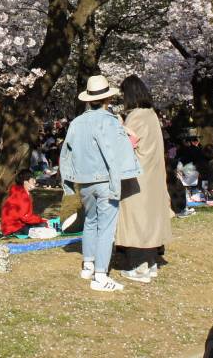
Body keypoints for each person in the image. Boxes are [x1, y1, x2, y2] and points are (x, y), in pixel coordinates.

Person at [60, 74, 141, 292]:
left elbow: (65, 152)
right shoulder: (111, 121)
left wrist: (68, 180)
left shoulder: (76, 123)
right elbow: (124, 149)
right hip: (106, 180)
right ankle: (101, 275)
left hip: (84, 182)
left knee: (90, 220)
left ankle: (88, 264)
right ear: (108, 99)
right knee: (106, 227)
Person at [114, 75, 171, 283]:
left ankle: (140, 268)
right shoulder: (152, 115)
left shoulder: (136, 116)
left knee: (137, 220)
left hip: (139, 178)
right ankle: (151, 262)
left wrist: (119, 125)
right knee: (151, 220)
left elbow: (127, 146)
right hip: (154, 175)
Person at [0, 170, 47, 237]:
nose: (35, 181)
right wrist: (40, 220)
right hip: (13, 228)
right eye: (32, 179)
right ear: (25, 182)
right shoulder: (21, 194)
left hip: (17, 225)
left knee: (42, 225)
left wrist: (39, 220)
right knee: (43, 226)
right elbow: (25, 217)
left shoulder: (21, 192)